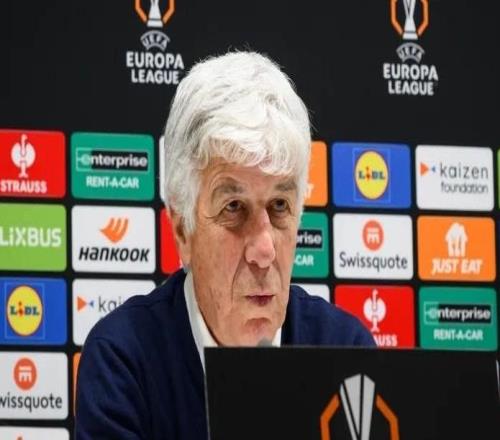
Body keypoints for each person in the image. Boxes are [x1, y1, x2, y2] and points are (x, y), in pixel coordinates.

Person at [75, 51, 375, 439]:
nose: (264, 250)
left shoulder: (345, 352)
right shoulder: (123, 361)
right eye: (234, 207)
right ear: (182, 229)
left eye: (279, 206)